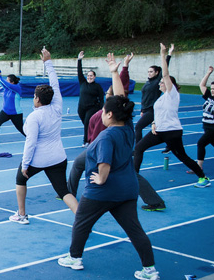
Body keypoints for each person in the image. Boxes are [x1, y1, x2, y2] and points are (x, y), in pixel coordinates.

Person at [57, 57, 160, 280]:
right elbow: (122, 99)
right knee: (135, 230)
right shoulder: (128, 128)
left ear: (109, 115)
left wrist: (101, 178)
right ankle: (150, 270)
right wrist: (116, 72)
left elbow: (104, 163)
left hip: (103, 191)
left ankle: (74, 258)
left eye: (104, 110)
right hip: (127, 189)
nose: (102, 113)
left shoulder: (106, 135)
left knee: (82, 223)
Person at [67, 53, 166, 212]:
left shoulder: (118, 123)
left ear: (111, 112)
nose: (107, 98)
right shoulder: (113, 119)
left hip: (110, 151)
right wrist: (114, 72)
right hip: (109, 150)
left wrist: (117, 72)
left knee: (87, 166)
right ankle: (69, 191)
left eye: (109, 99)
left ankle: (72, 193)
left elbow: (120, 95)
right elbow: (119, 97)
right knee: (81, 164)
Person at [9, 48, 78, 224]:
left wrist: (25, 165)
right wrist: (48, 62)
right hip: (58, 157)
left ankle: (22, 215)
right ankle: (82, 220)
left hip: (38, 159)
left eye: (34, 97)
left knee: (20, 179)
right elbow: (55, 85)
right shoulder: (57, 106)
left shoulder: (34, 117)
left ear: (38, 100)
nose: (33, 99)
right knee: (64, 191)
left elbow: (30, 142)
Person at [134, 44, 210, 188]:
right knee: (138, 148)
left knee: (182, 156)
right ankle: (134, 176)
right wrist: (153, 123)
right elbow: (159, 113)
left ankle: (203, 177)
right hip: (159, 130)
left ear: (170, 84)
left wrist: (163, 55)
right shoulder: (161, 98)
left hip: (172, 132)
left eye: (162, 83)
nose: (160, 84)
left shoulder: (172, 94)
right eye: (160, 83)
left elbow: (165, 75)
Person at [135, 45, 172, 145]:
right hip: (145, 109)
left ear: (157, 73)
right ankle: (170, 143)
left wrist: (168, 55)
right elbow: (144, 98)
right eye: (148, 72)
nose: (149, 73)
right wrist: (142, 109)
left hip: (152, 110)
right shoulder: (147, 83)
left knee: (138, 127)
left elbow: (165, 68)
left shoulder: (157, 82)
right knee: (160, 130)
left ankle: (137, 147)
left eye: (151, 72)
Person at [0, 70, 25, 148]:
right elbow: (1, 82)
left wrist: (0, 76)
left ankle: (34, 139)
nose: (6, 81)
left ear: (12, 82)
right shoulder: (7, 88)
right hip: (5, 112)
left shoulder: (17, 88)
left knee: (22, 129)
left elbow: (4, 82)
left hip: (16, 113)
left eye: (8, 80)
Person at [76, 51, 104, 146]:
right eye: (88, 76)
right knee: (87, 124)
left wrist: (101, 109)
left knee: (87, 123)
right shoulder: (83, 83)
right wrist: (79, 60)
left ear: (95, 77)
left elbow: (101, 98)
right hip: (81, 107)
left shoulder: (97, 86)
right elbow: (79, 72)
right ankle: (93, 133)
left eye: (91, 76)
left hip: (92, 108)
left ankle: (86, 141)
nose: (89, 77)